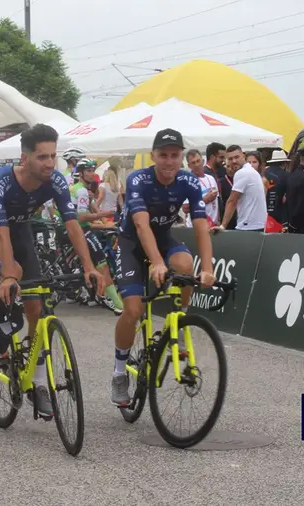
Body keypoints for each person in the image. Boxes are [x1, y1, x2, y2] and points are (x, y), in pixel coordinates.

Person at [0, 124, 105, 418]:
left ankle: (39, 383)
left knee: (36, 304)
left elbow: (72, 224)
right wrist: (6, 276)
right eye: (42, 157)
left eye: (53, 156)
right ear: (25, 157)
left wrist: (89, 267)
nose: (49, 163)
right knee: (14, 272)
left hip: (21, 231)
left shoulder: (55, 181)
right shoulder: (0, 182)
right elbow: (1, 234)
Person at [111, 128, 215, 406]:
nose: (169, 161)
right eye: (163, 155)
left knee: (185, 265)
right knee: (133, 309)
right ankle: (119, 372)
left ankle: (179, 323)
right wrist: (156, 262)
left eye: (174, 155)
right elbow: (141, 224)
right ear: (153, 156)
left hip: (164, 238)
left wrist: (207, 268)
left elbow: (202, 226)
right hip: (132, 243)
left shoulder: (189, 182)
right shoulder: (139, 179)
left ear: (181, 156)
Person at [67, 159, 123, 313]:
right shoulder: (82, 191)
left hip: (77, 228)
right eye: (89, 171)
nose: (92, 174)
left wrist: (107, 223)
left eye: (93, 170)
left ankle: (93, 294)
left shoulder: (84, 190)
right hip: (79, 229)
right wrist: (105, 215)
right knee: (102, 264)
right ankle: (117, 304)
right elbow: (82, 217)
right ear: (81, 173)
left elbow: (93, 210)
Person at [218, 147, 269, 232]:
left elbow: (232, 201)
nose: (234, 161)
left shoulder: (242, 173)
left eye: (236, 157)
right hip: (258, 225)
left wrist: (222, 226)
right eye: (230, 159)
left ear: (243, 156)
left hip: (249, 226)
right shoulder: (251, 171)